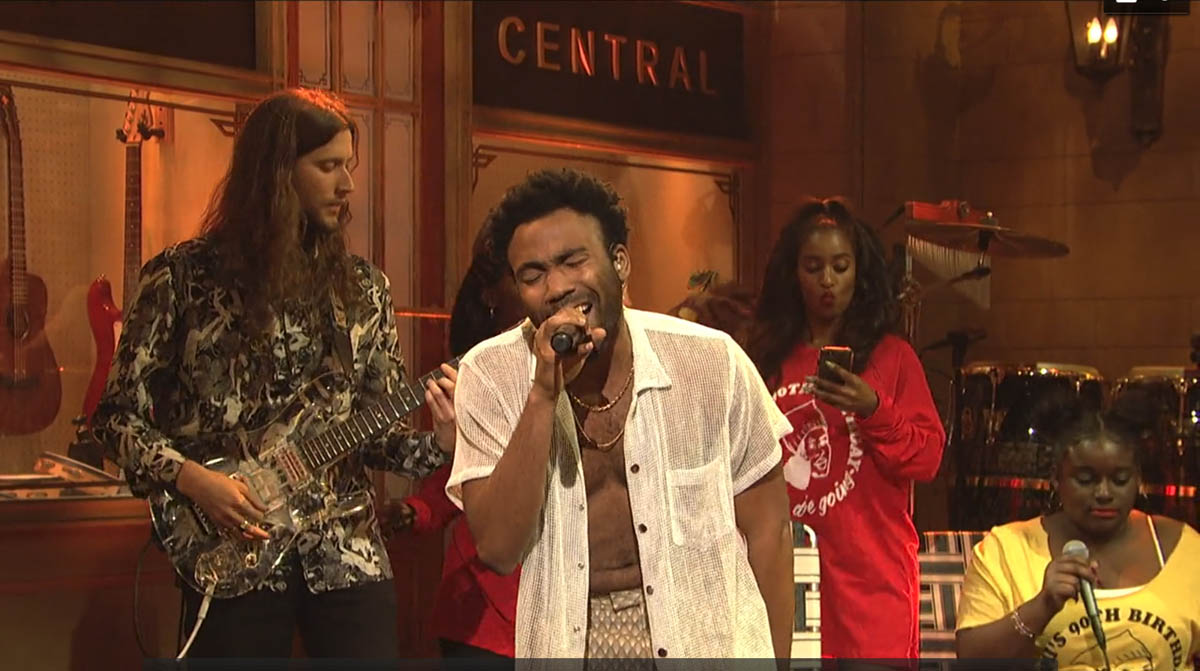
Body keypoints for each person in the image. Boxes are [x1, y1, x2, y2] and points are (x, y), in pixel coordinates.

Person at [91, 88, 456, 658]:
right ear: (276, 174)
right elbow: (115, 420)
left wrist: (443, 443)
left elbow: (376, 437)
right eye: (328, 166)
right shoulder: (182, 279)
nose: (347, 185)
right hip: (232, 547)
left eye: (349, 166)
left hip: (346, 551)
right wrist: (194, 480)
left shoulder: (364, 289)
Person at [446, 168, 795, 661]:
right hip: (572, 645)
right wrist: (543, 394)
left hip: (706, 642)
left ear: (620, 262)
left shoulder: (711, 361)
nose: (556, 288)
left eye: (573, 261)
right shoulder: (490, 376)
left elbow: (770, 532)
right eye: (533, 275)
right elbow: (499, 549)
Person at [743, 197, 945, 659]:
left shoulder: (892, 357)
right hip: (784, 575)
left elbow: (928, 457)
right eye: (813, 267)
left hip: (869, 582)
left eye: (840, 266)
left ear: (860, 272)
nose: (828, 281)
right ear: (793, 273)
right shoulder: (766, 357)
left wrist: (873, 409)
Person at [956, 389, 1200, 670]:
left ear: (1138, 479)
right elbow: (971, 661)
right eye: (1085, 480)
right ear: (1056, 479)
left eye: (1120, 480)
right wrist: (1042, 607)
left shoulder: (1184, 548)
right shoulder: (1006, 549)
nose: (1104, 493)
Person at [382, 223, 525, 662]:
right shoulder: (474, 372)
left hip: (557, 604)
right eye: (526, 274)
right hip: (482, 607)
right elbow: (459, 473)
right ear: (492, 294)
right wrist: (416, 511)